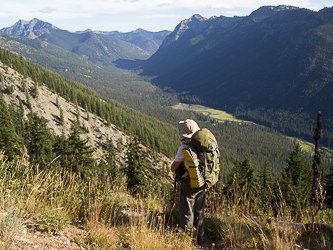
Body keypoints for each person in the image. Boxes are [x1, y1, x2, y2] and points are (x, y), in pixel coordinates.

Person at [171, 119, 205, 244]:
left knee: (186, 210)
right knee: (199, 210)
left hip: (189, 183)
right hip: (203, 182)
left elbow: (173, 168)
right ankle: (200, 236)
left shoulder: (184, 148)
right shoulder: (203, 144)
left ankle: (187, 239)